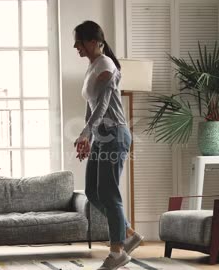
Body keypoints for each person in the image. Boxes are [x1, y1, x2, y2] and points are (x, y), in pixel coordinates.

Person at [72, 20, 144, 270]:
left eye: (78, 41)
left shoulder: (106, 65)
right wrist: (88, 138)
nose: (75, 46)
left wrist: (85, 132)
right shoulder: (93, 66)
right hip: (102, 137)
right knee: (92, 192)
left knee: (109, 193)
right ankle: (129, 233)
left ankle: (117, 252)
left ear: (93, 41)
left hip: (115, 135)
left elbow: (103, 105)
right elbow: (90, 105)